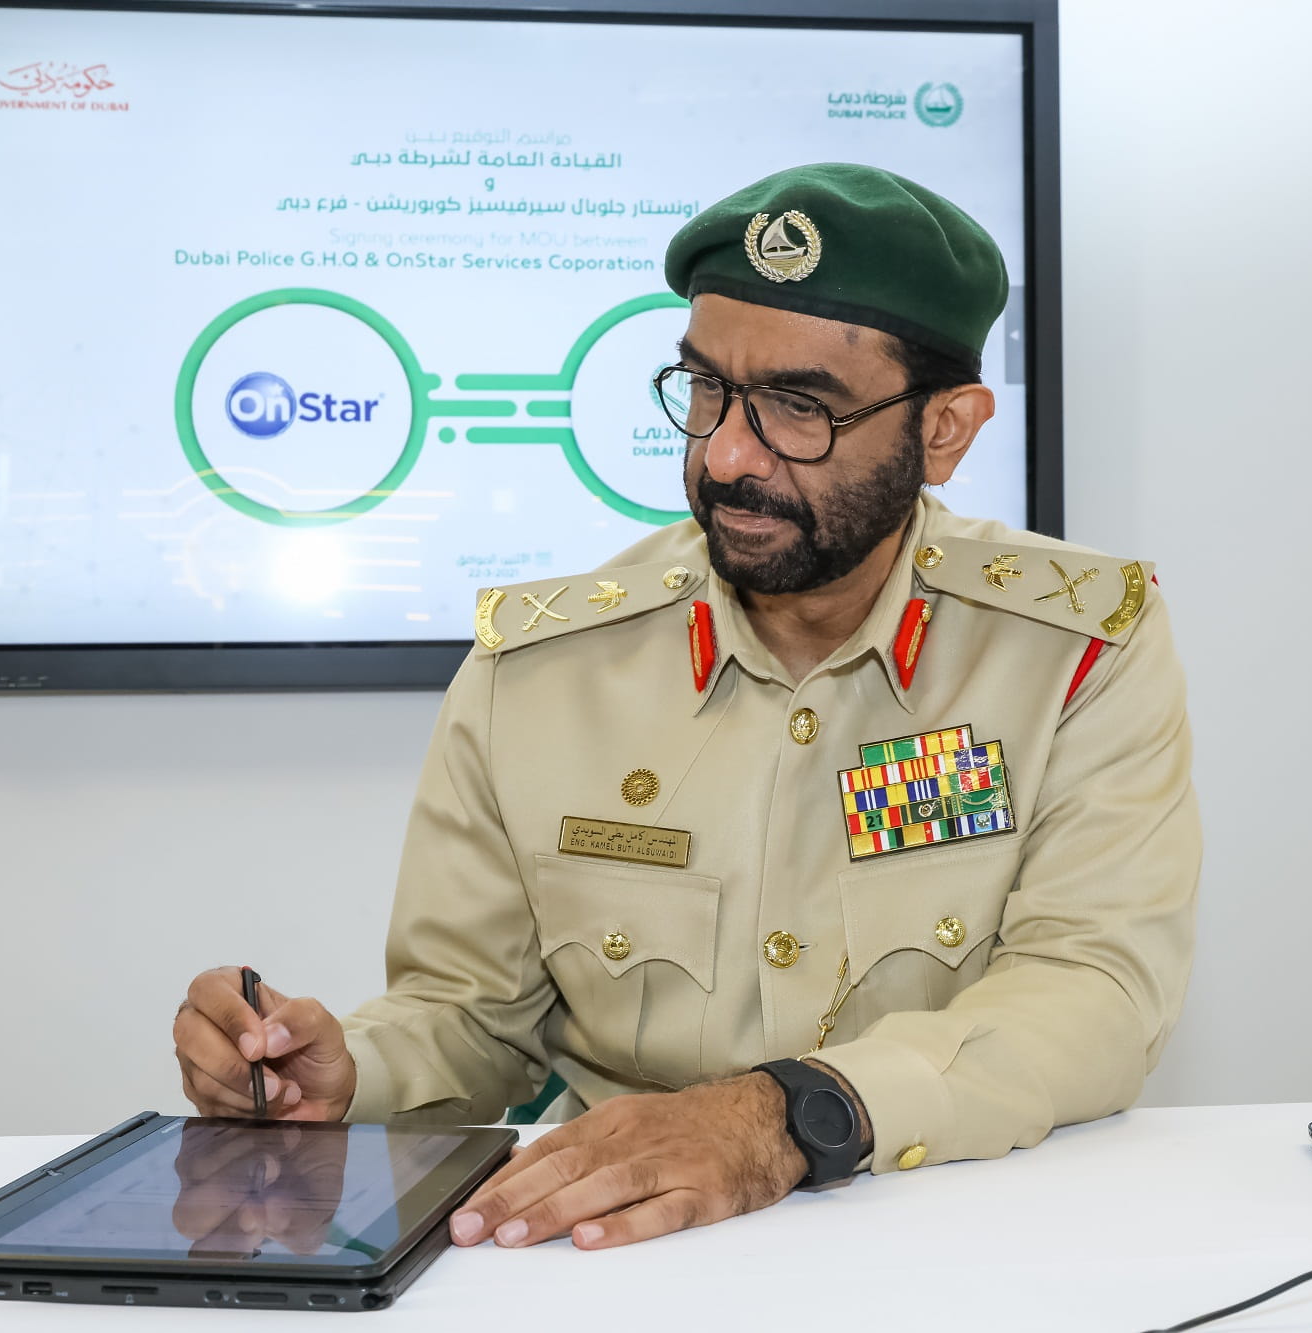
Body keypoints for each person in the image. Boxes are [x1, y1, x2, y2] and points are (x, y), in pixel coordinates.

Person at [172, 162, 1200, 1252]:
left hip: (959, 1239)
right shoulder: (543, 668)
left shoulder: (1074, 650)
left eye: (800, 407)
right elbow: (470, 1016)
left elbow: (1092, 991)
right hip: (618, 1256)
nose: (726, 454)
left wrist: (785, 1115)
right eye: (706, 389)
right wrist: (341, 1072)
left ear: (945, 428)